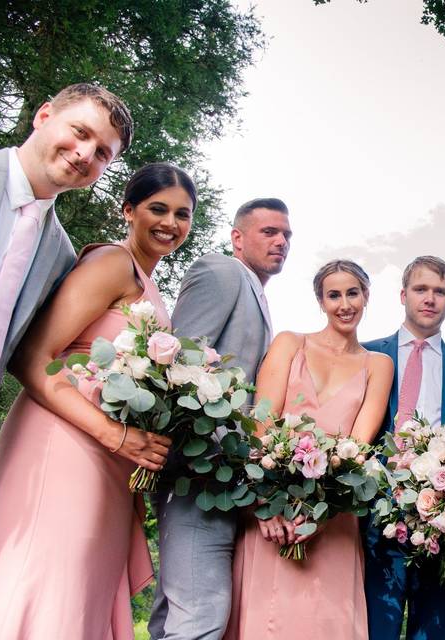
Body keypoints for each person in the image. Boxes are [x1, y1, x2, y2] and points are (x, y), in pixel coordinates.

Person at [0, 163, 195, 639]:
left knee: (82, 588)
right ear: (128, 210)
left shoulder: (149, 284)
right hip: (64, 442)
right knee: (47, 578)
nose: (170, 223)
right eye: (158, 208)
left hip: (114, 456)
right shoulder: (112, 263)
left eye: (182, 214)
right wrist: (118, 436)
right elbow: (33, 358)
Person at [226, 259, 394, 640]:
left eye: (353, 293)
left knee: (327, 621)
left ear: (366, 296)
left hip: (332, 516)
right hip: (274, 511)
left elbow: (358, 447)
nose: (344, 304)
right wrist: (264, 505)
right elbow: (261, 425)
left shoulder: (378, 364)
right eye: (333, 295)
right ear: (320, 301)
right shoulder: (290, 342)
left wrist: (321, 512)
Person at [149, 198, 292, 640]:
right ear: (237, 238)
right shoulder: (220, 271)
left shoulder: (258, 296)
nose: (281, 242)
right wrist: (230, 476)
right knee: (201, 616)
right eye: (269, 231)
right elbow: (181, 375)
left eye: (287, 235)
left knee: (176, 615)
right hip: (200, 476)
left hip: (225, 483)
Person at [0, 82, 133, 435]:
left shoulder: (60, 255)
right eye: (80, 132)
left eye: (103, 153)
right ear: (44, 115)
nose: (85, 154)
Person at [362, 256, 445, 640]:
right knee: (373, 628)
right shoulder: (367, 354)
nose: (430, 298)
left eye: (440, 291)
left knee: (435, 628)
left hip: (443, 523)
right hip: (372, 519)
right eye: (421, 289)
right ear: (403, 295)